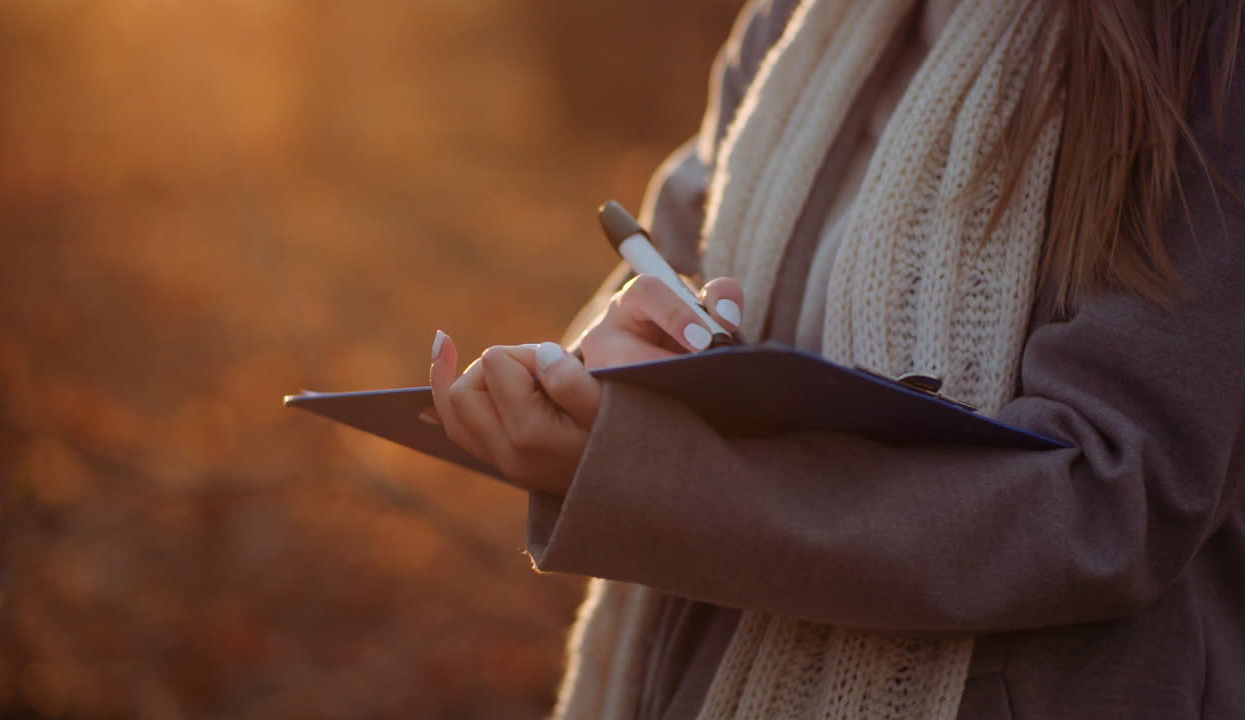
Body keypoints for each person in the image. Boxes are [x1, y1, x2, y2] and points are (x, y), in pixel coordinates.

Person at [428, 0, 1245, 717]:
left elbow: (1110, 499)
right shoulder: (796, 23)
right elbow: (659, 266)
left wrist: (664, 480)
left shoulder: (1205, 46)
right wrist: (598, 373)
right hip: (694, 680)